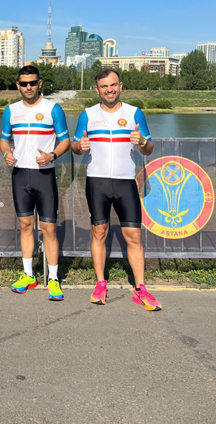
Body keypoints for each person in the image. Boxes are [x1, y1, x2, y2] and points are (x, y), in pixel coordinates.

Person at [71, 68, 161, 311]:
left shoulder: (134, 113)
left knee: (134, 236)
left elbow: (149, 147)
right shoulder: (88, 114)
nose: (109, 90)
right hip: (97, 181)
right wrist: (79, 146)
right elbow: (75, 145)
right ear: (97, 89)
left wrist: (142, 142)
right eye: (103, 86)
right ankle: (100, 283)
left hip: (125, 181)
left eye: (113, 85)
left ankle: (140, 288)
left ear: (120, 86)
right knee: (99, 233)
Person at [0, 65, 70, 300]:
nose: (28, 87)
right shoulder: (11, 110)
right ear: (18, 85)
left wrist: (52, 156)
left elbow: (65, 141)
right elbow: (3, 141)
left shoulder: (53, 109)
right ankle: (29, 275)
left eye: (33, 83)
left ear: (40, 84)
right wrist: (6, 154)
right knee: (26, 226)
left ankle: (53, 278)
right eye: (24, 83)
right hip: (20, 175)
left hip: (44, 175)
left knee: (49, 228)